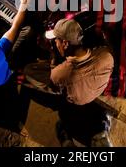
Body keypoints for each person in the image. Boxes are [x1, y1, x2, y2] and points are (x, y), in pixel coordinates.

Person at [38, 18, 114, 147]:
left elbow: (54, 81)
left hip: (77, 102)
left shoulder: (60, 74)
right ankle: (100, 136)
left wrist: (52, 56)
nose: (55, 43)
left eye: (56, 40)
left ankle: (68, 142)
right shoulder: (106, 55)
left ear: (65, 44)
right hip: (96, 92)